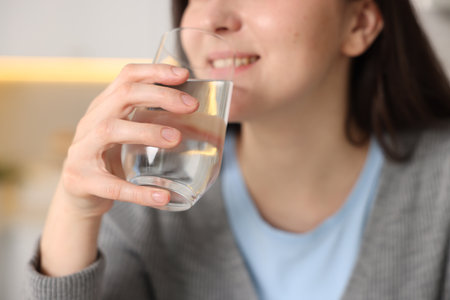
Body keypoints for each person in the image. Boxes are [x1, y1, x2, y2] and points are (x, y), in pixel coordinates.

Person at [27, 0, 450, 299]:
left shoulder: (441, 188)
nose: (212, 17)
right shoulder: (147, 195)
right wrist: (74, 210)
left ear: (358, 24)